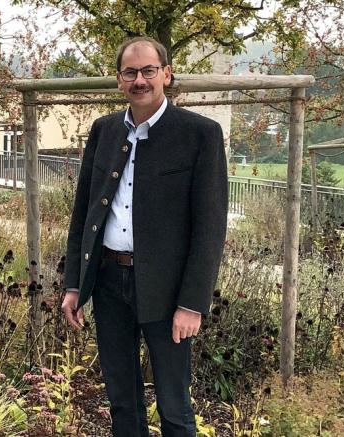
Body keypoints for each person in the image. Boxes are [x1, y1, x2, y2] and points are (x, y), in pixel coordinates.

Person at [60, 37, 228, 437]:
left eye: (148, 70)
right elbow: (84, 213)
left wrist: (192, 303)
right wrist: (73, 284)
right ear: (119, 80)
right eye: (130, 72)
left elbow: (210, 227)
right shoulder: (103, 131)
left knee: (174, 406)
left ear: (166, 74)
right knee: (122, 400)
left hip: (168, 292)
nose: (140, 80)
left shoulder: (199, 134)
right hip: (109, 282)